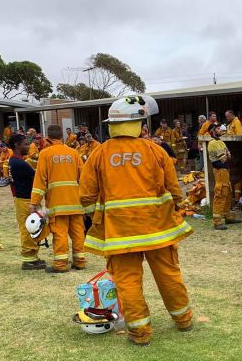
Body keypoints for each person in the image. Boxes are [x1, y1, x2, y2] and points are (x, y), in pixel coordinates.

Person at [80, 95, 195, 342]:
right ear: (138, 123)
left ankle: (140, 333)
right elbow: (174, 190)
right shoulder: (155, 151)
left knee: (128, 282)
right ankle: (183, 320)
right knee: (169, 276)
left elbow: (87, 196)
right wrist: (175, 207)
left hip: (120, 233)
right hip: (158, 230)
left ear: (112, 124)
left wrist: (97, 219)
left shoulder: (99, 154)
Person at [30, 124, 86, 273]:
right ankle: (80, 261)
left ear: (47, 138)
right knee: (78, 233)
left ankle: (61, 265)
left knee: (60, 233)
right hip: (75, 202)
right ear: (62, 136)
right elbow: (84, 177)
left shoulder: (45, 154)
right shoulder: (74, 153)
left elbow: (40, 180)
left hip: (57, 203)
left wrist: (34, 202)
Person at [7, 134, 45, 270]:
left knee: (30, 228)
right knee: (29, 229)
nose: (28, 147)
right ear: (17, 145)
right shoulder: (19, 163)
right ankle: (29, 260)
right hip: (25, 200)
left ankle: (32, 257)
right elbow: (37, 177)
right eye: (25, 144)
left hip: (22, 199)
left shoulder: (14, 161)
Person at [206, 125, 241, 229]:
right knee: (220, 194)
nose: (220, 130)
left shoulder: (221, 142)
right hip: (219, 171)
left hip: (225, 171)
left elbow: (228, 156)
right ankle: (217, 221)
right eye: (217, 129)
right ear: (212, 131)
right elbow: (223, 159)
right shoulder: (212, 143)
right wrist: (226, 154)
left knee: (228, 193)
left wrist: (226, 155)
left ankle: (227, 216)